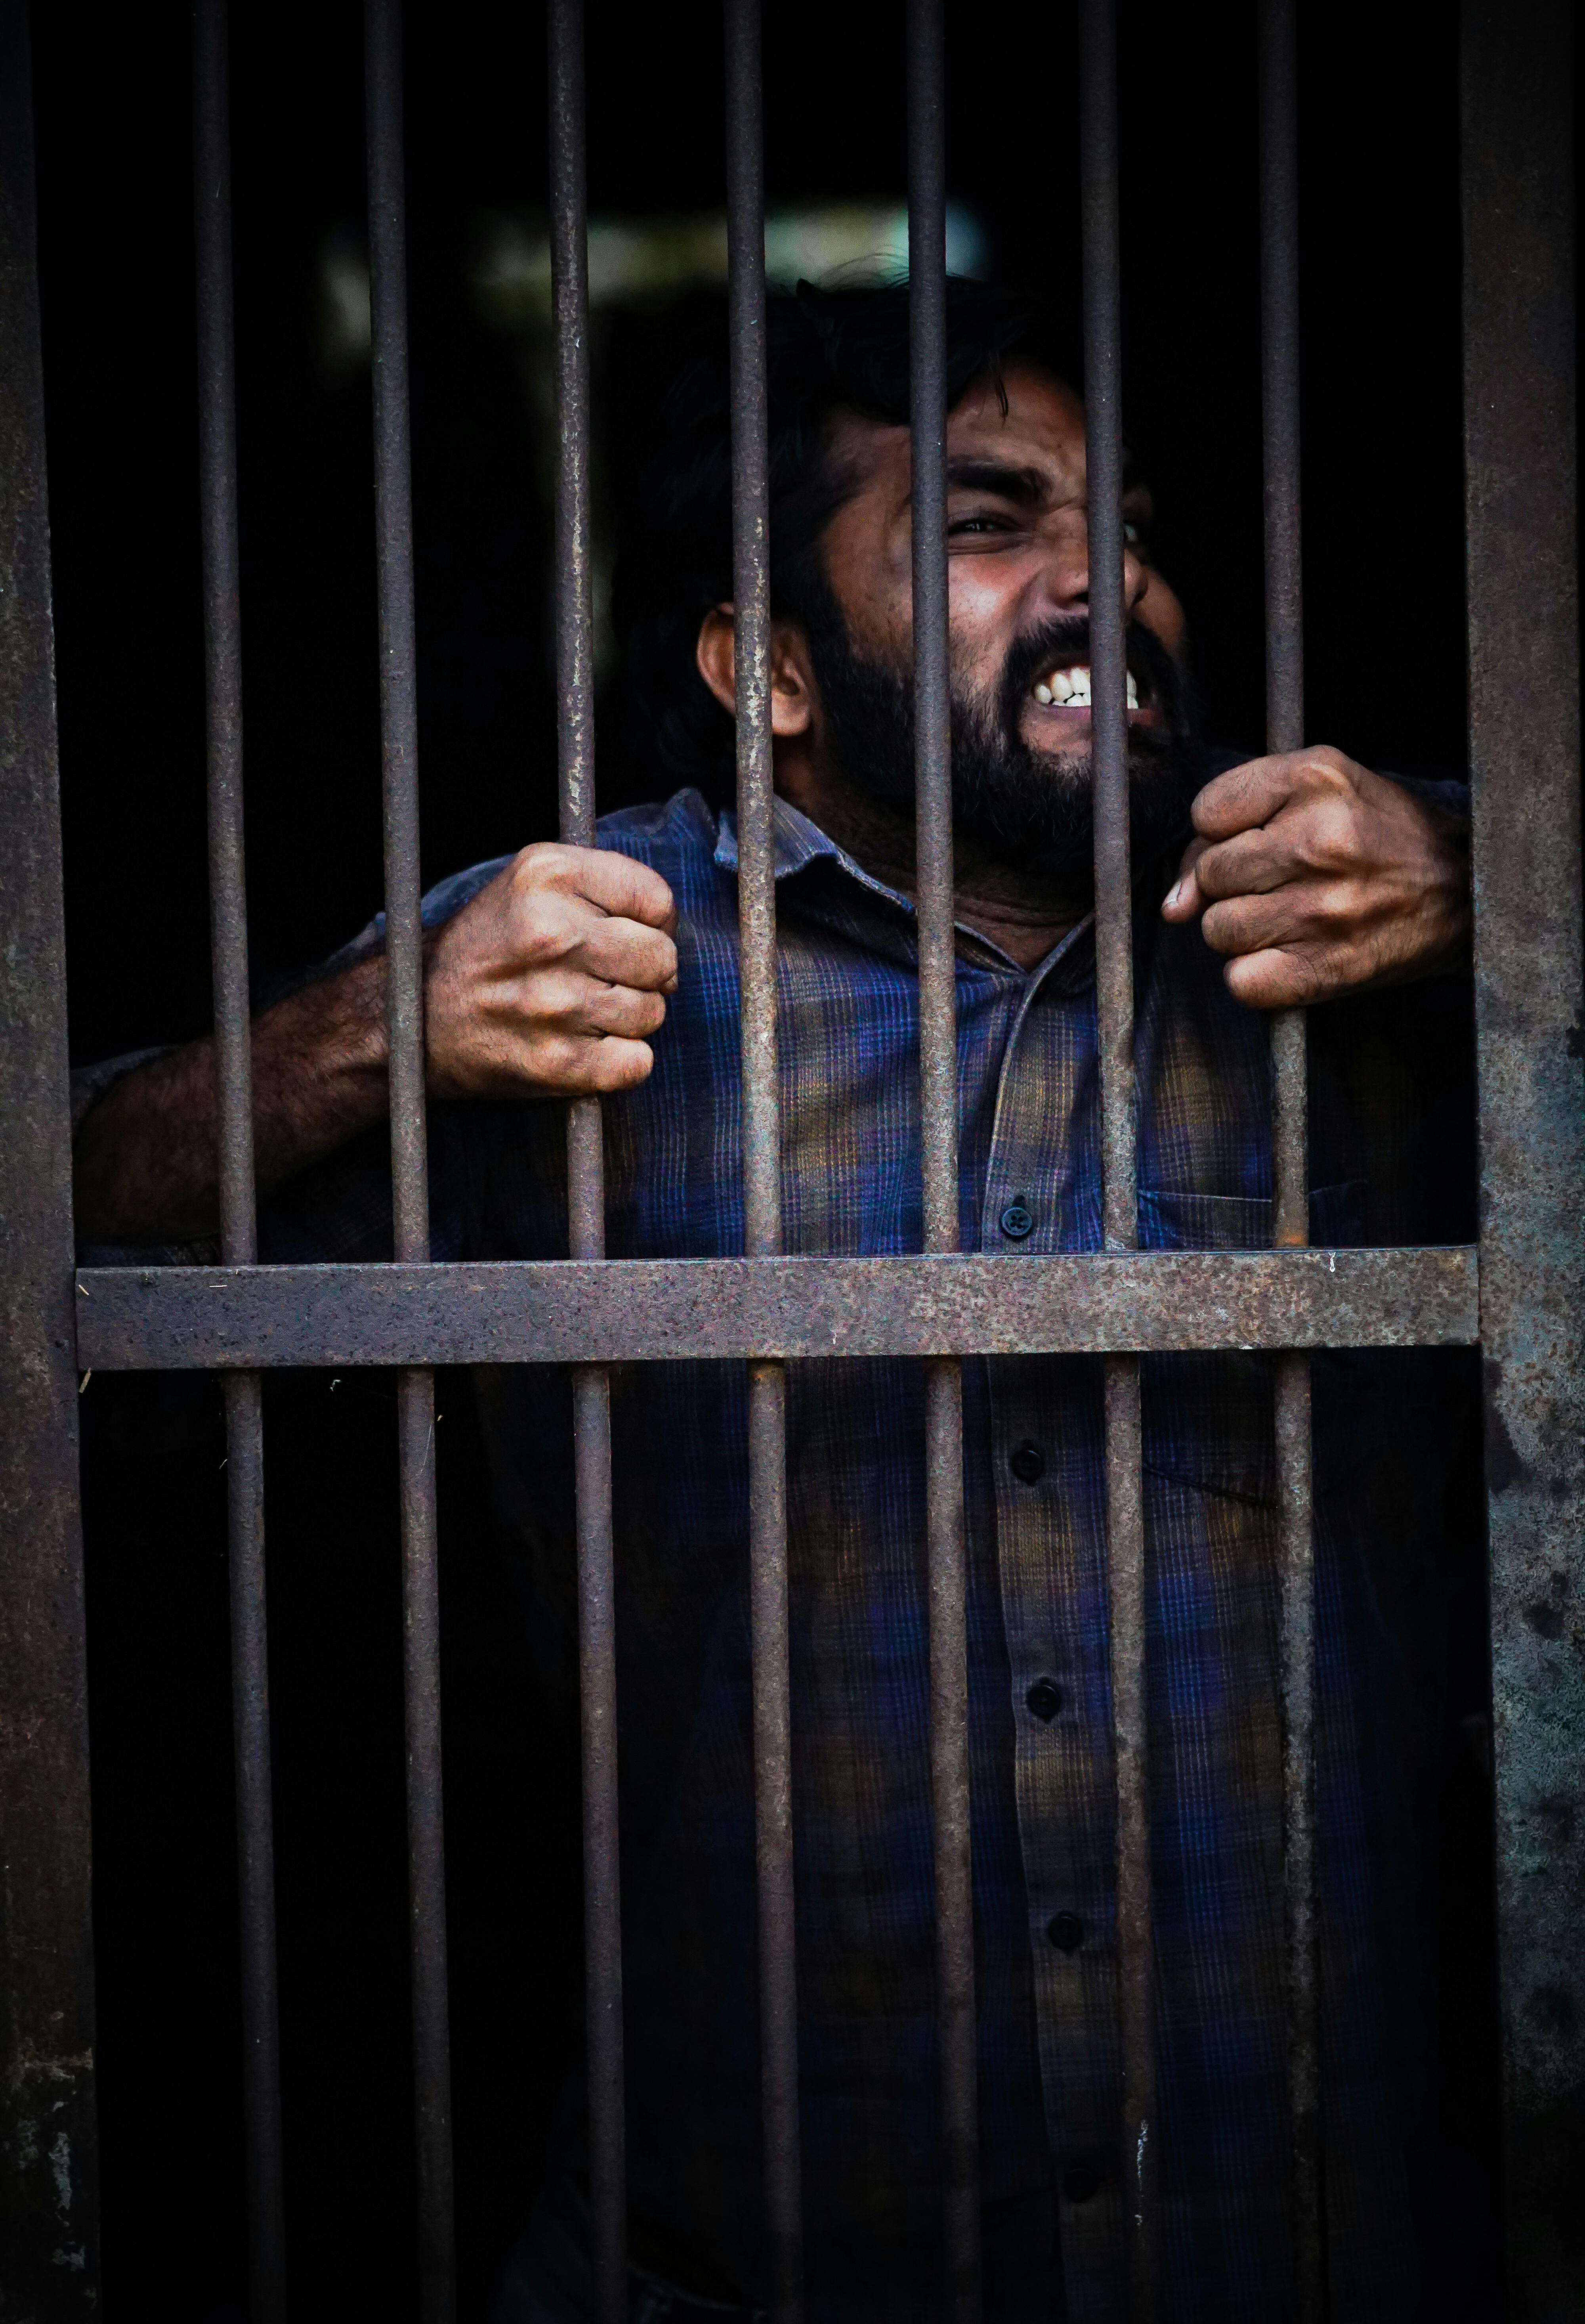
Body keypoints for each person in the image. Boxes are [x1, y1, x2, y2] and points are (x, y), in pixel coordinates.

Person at [74, 284, 1486, 2320]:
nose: (1111, 576)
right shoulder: (576, 963)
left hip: (1327, 2250)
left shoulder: (1351, 914)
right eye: (991, 520)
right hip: (747, 2263)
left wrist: (1500, 886)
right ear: (772, 671)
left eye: (1138, 529)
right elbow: (66, 1269)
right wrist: (364, 1040)